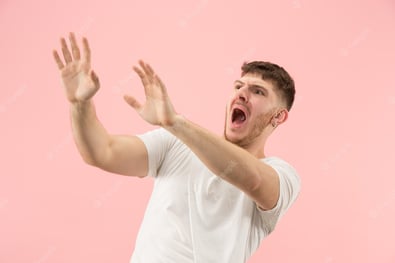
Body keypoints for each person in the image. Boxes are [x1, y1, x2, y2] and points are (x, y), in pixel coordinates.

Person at [53, 32, 301, 263]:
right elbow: (101, 152)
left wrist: (176, 123)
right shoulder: (175, 143)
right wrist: (79, 104)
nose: (242, 94)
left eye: (257, 91)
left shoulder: (282, 175)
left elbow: (254, 180)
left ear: (278, 117)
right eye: (238, 86)